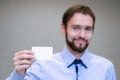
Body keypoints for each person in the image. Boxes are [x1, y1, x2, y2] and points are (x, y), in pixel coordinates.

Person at [6, 4, 116, 80]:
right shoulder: (42, 66)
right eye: (76, 28)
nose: (82, 35)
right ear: (63, 28)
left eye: (88, 29)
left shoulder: (106, 67)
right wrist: (18, 75)